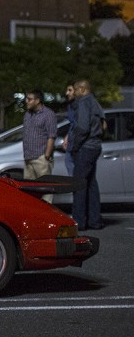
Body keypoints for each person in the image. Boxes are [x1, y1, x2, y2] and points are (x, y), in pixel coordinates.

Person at [67, 79, 104, 231]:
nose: (74, 93)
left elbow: (82, 128)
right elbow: (103, 125)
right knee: (91, 184)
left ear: (82, 89)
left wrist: (75, 146)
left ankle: (79, 222)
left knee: (79, 184)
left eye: (75, 90)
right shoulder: (95, 102)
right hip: (95, 145)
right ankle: (94, 220)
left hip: (85, 146)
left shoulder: (83, 103)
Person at [21, 91, 57, 181]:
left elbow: (51, 136)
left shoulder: (48, 114)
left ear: (37, 101)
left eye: (29, 99)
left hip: (40, 158)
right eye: (26, 99)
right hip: (28, 158)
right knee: (28, 186)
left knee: (44, 186)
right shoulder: (28, 114)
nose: (27, 101)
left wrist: (46, 156)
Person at [62, 83, 76, 174]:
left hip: (78, 147)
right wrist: (67, 137)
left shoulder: (83, 106)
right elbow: (72, 124)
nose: (67, 93)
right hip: (71, 146)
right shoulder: (70, 105)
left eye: (70, 90)